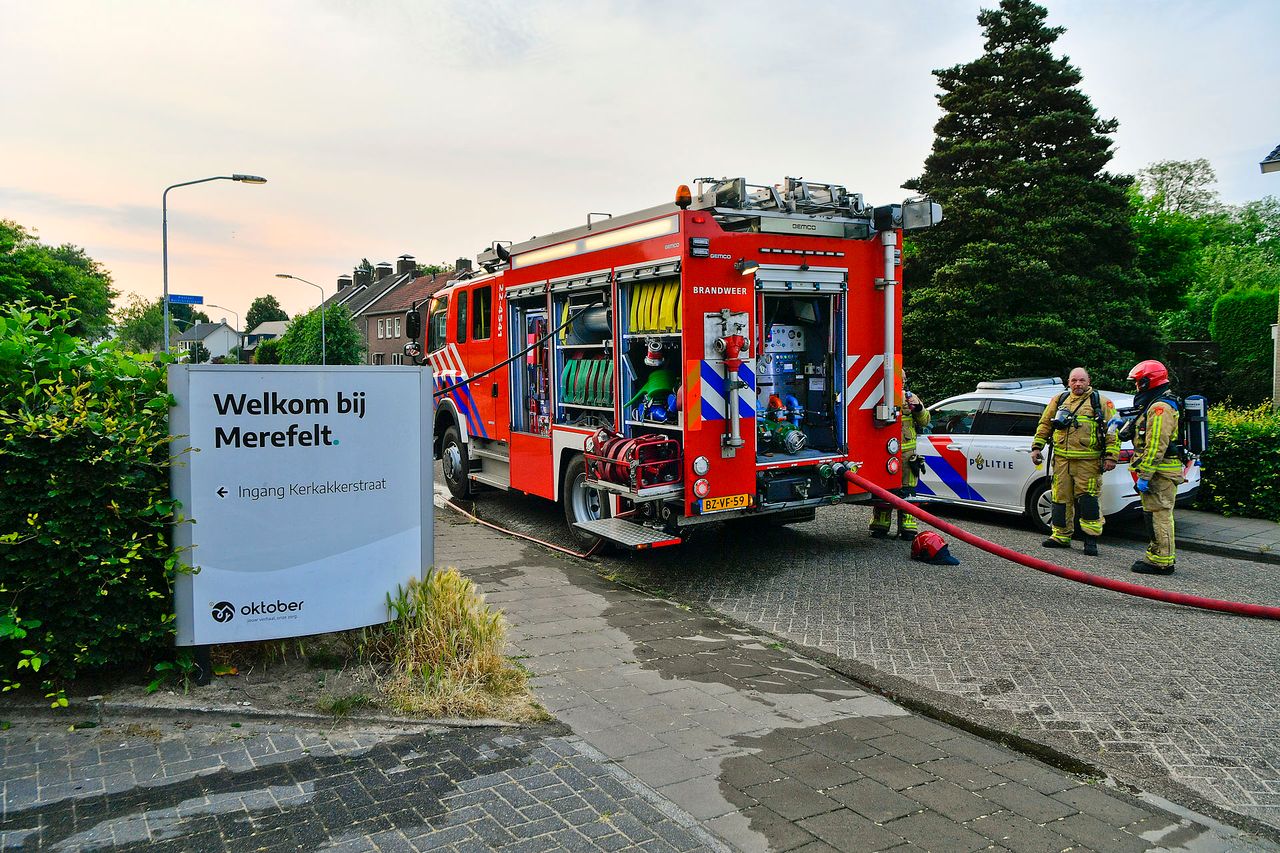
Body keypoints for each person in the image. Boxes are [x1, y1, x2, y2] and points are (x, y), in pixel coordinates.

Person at [1030, 367, 1119, 556]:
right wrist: (1036, 447)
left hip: (1088, 462)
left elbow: (1113, 431)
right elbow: (1045, 424)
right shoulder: (1059, 400)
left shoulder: (1101, 402)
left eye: (1081, 380)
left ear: (1089, 381)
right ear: (1068, 382)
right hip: (1061, 461)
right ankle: (1060, 536)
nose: (1077, 384)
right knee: (1059, 499)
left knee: (1088, 501)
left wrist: (1111, 456)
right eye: (1074, 380)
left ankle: (1090, 540)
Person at [1126, 359, 1184, 575]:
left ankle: (1162, 562)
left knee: (1160, 514)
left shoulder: (1160, 407)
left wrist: (1145, 475)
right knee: (1154, 514)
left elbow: (1156, 445)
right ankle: (1156, 555)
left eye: (1138, 382)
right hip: (1158, 471)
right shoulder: (1155, 403)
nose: (1136, 386)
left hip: (1160, 472)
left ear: (1147, 382)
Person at [871, 370, 930, 540]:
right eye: (900, 379)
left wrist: (918, 408)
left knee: (908, 490)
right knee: (884, 490)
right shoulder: (879, 398)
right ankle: (880, 525)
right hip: (885, 452)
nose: (903, 382)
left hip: (907, 455)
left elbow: (925, 421)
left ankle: (908, 527)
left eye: (904, 379)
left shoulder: (911, 398)